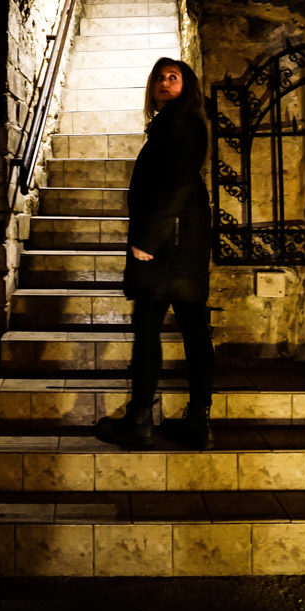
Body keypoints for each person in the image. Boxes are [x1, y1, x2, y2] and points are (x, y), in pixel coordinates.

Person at [96, 57, 214, 449]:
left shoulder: (179, 122)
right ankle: (197, 422)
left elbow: (177, 185)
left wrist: (149, 238)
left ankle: (141, 420)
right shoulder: (180, 123)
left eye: (173, 77)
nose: (165, 83)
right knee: (192, 331)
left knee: (149, 330)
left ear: (187, 85)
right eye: (160, 78)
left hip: (167, 247)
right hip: (183, 243)